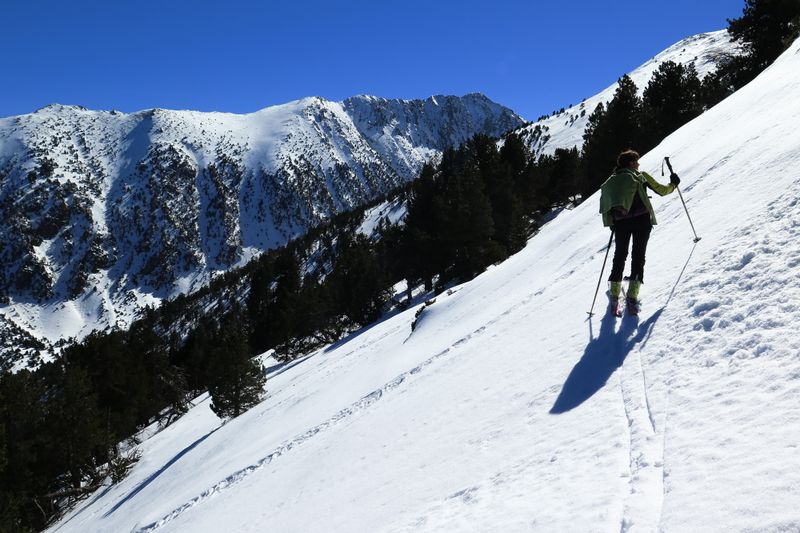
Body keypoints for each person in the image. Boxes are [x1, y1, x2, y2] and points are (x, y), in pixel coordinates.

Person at [599, 150, 680, 315]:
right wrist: (673, 184)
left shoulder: (610, 182)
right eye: (636, 161)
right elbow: (661, 190)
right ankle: (632, 296)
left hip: (620, 224)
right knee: (638, 256)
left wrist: (613, 222)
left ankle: (614, 293)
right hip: (642, 221)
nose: (638, 164)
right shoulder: (640, 176)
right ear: (630, 163)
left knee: (620, 256)